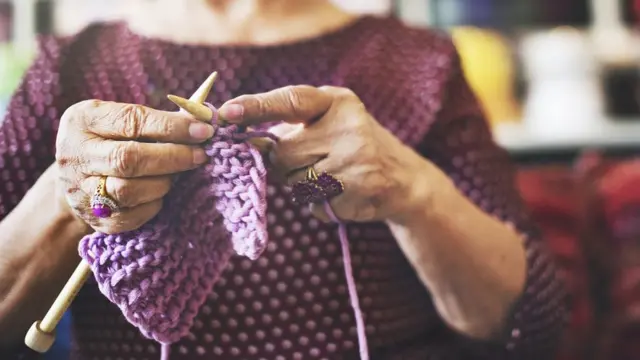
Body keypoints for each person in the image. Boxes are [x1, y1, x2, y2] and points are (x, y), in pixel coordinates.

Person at [0, 1, 567, 359]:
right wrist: (76, 198)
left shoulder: (414, 64)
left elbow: (532, 321)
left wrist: (410, 190)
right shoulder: (73, 68)